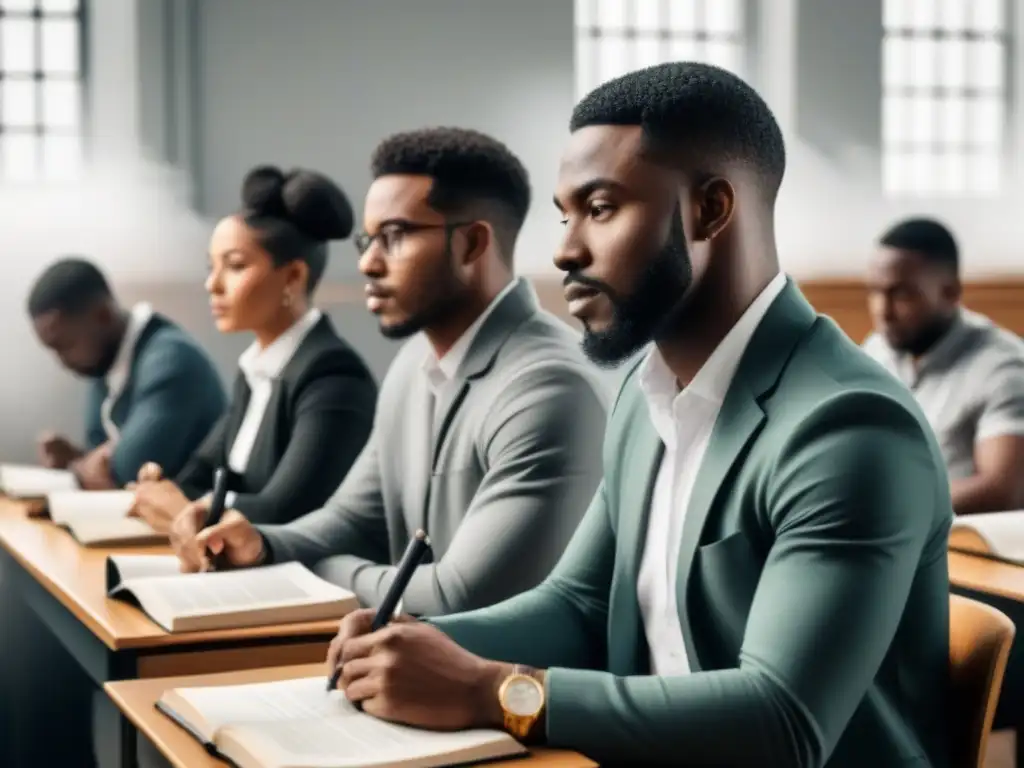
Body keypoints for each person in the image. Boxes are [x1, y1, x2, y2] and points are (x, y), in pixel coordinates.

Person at [322, 63, 953, 767]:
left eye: (600, 208)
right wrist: (419, 638)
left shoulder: (849, 428)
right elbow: (578, 604)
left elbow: (783, 724)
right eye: (565, 216)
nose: (564, 249)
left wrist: (492, 691)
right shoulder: (642, 392)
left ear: (710, 210)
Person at [169, 127, 607, 617]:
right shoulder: (411, 365)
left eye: (394, 237)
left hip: (510, 688)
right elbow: (353, 519)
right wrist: (262, 545)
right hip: (405, 667)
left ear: (471, 244)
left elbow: (456, 596)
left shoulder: (550, 386)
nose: (368, 264)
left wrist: (308, 568)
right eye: (367, 239)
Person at [130, 165, 377, 534]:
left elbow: (285, 512)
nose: (212, 284)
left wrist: (184, 505)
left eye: (234, 266)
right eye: (210, 267)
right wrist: (165, 489)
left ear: (293, 276)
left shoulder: (333, 376)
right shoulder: (255, 370)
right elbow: (198, 474)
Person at [863, 217, 1024, 515]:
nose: (882, 311)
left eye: (901, 294)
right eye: (874, 291)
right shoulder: (878, 348)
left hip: (964, 547)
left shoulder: (1004, 368)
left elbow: (1002, 490)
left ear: (950, 293)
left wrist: (883, 507)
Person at [27, 257, 226, 489]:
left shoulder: (171, 360)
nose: (62, 361)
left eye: (66, 346)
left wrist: (79, 465)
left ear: (103, 315)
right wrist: (77, 458)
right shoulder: (104, 360)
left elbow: (127, 470)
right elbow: (98, 456)